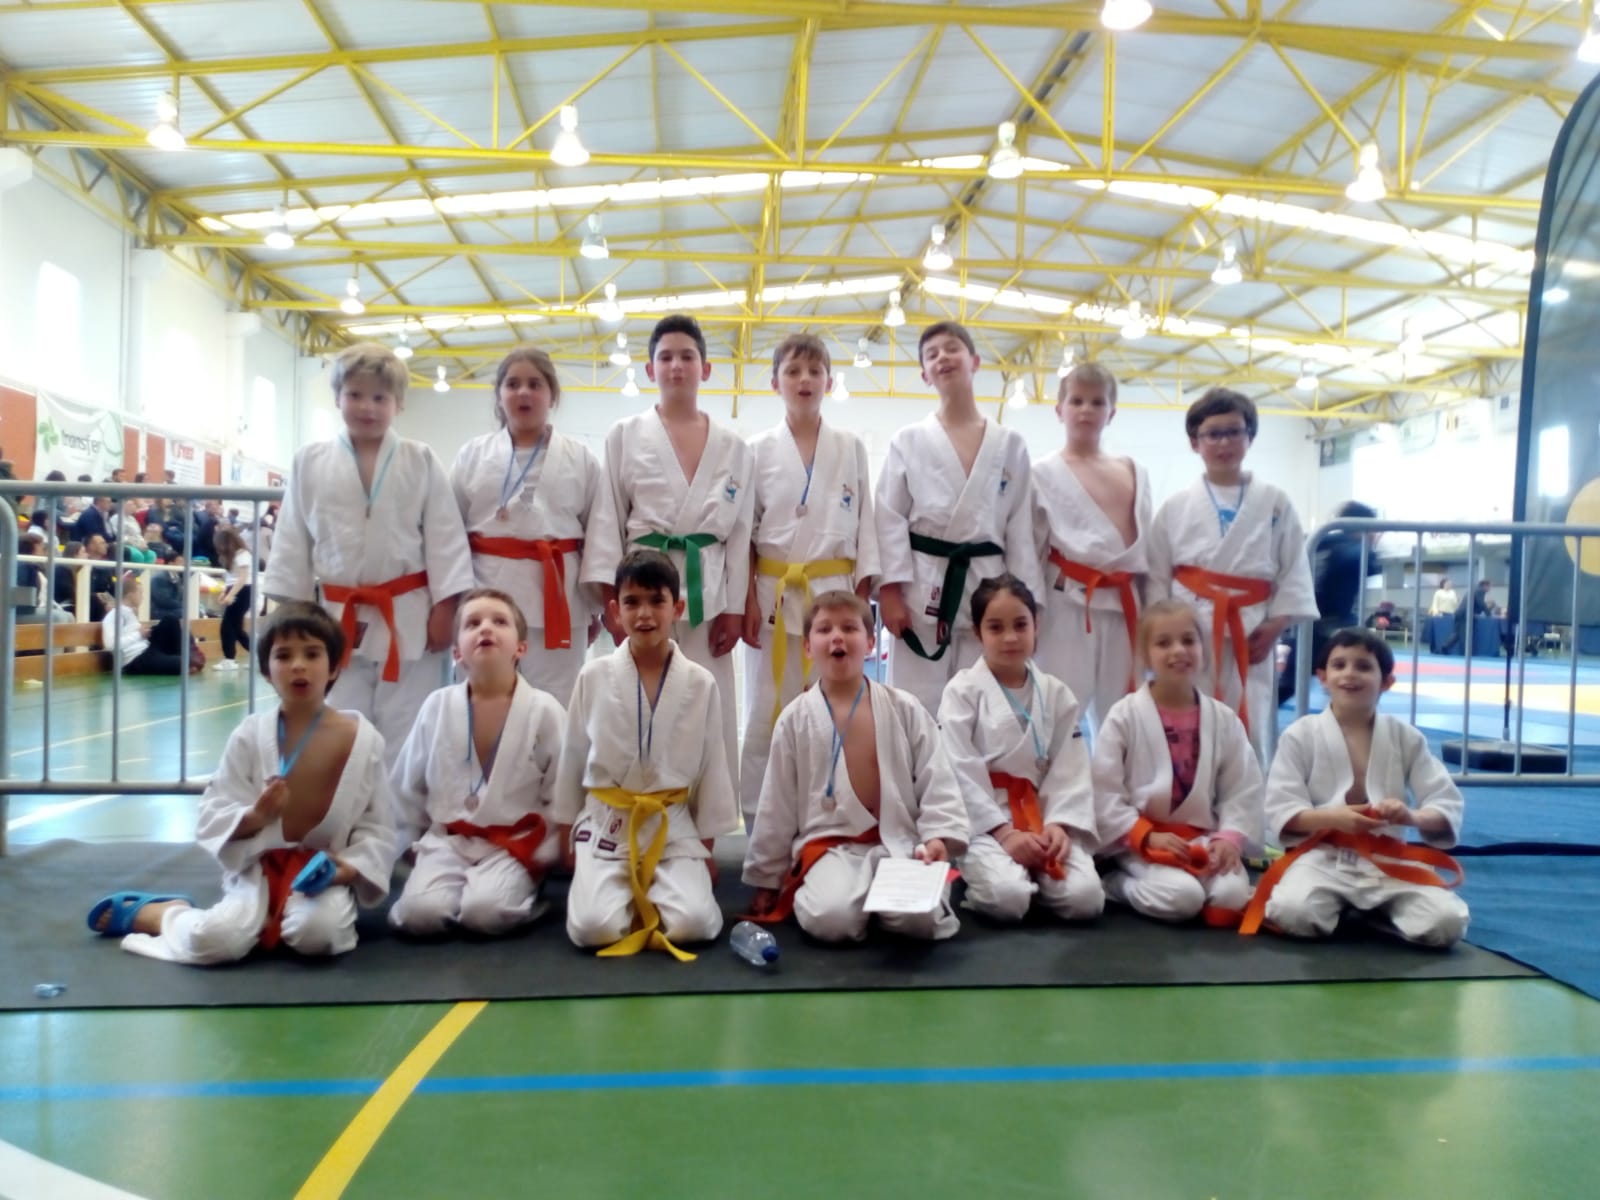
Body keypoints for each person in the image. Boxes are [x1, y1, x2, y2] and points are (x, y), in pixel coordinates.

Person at [87, 603, 397, 963]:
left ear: (334, 667)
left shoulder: (363, 741)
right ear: (266, 671)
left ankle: (276, 919)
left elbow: (378, 826)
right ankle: (165, 914)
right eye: (284, 656)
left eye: (312, 654)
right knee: (215, 941)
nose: (298, 665)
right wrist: (255, 816)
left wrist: (347, 869)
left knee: (319, 936)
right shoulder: (250, 735)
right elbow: (213, 810)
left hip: (322, 873)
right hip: (256, 869)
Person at [262, 342, 476, 765]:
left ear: (399, 403)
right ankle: (347, 807)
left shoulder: (420, 459)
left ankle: (400, 811)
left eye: (380, 397)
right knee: (341, 725)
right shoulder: (310, 461)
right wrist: (295, 614)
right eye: (355, 394)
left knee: (409, 731)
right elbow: (292, 541)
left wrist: (446, 607)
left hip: (409, 615)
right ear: (337, 397)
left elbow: (445, 538)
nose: (367, 407)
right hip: (335, 616)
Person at [582, 314, 753, 785]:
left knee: (708, 702)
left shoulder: (735, 447)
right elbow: (608, 519)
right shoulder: (624, 435)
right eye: (666, 357)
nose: (677, 365)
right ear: (650, 369)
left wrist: (734, 610)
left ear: (705, 369)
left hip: (707, 597)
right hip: (641, 590)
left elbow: (739, 536)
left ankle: (709, 815)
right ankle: (630, 804)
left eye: (687, 356)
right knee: (636, 700)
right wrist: (612, 604)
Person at [744, 590, 967, 942]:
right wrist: (767, 879)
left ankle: (882, 904)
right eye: (824, 629)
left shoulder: (905, 708)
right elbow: (777, 805)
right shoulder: (795, 719)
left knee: (921, 920)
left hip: (900, 842)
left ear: (870, 642)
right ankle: (863, 905)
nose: (837, 637)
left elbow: (936, 779)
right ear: (807, 646)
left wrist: (937, 836)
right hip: (831, 848)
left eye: (849, 628)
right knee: (831, 921)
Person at [554, 550, 738, 960]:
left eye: (657, 601)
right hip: (608, 823)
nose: (645, 614)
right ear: (615, 611)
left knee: (695, 924)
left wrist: (706, 848)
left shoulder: (701, 682)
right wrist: (565, 834)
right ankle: (627, 895)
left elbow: (712, 766)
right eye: (632, 602)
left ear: (678, 608)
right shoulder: (593, 676)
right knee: (593, 928)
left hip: (671, 824)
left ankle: (651, 894)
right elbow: (572, 757)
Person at [1245, 628, 1467, 946]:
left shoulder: (1406, 737)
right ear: (1323, 677)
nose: (1350, 673)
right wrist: (1333, 818)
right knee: (1293, 913)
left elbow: (1444, 800)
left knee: (1446, 924)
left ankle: (1377, 912)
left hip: (1388, 859)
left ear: (1387, 681)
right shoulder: (1300, 735)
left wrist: (1411, 817)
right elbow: (1281, 807)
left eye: (1363, 666)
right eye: (1339, 665)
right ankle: (1363, 911)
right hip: (1323, 857)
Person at [740, 333, 880, 830]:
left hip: (834, 595)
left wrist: (862, 603)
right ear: (774, 382)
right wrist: (745, 599)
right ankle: (761, 822)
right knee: (766, 710)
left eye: (815, 371)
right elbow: (745, 533)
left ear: (829, 382)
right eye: (793, 371)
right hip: (773, 594)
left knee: (833, 706)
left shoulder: (851, 447)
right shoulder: (755, 450)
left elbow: (865, 524)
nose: (804, 380)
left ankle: (831, 814)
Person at [875, 321, 1044, 714]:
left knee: (984, 707)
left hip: (991, 590)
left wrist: (1026, 604)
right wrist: (890, 592)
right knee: (914, 707)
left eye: (952, 348)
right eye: (931, 354)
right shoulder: (908, 440)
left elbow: (1021, 529)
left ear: (975, 361)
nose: (942, 358)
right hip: (920, 588)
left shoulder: (1011, 444)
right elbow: (888, 518)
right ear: (924, 374)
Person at [1146, 388, 1317, 754]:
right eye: (1213, 434)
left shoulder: (1275, 502)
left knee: (1250, 720)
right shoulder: (1175, 507)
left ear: (1249, 437)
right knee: (1187, 718)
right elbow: (1157, 575)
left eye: (1234, 432)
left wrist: (1277, 625)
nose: (1224, 442)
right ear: (1195, 442)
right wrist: (1165, 636)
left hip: (1252, 631)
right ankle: (1186, 788)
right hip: (1190, 632)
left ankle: (1248, 790)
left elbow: (1293, 569)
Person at [388, 588, 567, 935]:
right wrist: (409, 843)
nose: (485, 628)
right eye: (472, 624)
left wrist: (546, 852)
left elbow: (562, 791)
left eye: (499, 621)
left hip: (514, 845)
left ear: (521, 648)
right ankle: (445, 891)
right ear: (457, 651)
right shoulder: (437, 707)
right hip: (447, 841)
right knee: (419, 915)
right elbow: (407, 786)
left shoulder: (544, 710)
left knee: (483, 912)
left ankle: (528, 893)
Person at [938, 576, 1102, 923]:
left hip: (1043, 816)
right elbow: (958, 770)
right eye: (996, 627)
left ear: (1036, 626)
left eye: (1020, 625)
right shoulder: (962, 692)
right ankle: (1003, 880)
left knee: (1086, 899)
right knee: (1008, 899)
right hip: (987, 824)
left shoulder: (1056, 693)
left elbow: (1071, 769)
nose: (1010, 637)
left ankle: (1036, 878)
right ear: (978, 633)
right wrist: (1004, 833)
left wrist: (1059, 825)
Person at [1093, 600, 1263, 927]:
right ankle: (1117, 884)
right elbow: (1103, 791)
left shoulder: (1223, 719)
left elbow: (1242, 787)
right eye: (1163, 643)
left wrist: (1228, 838)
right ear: (1145, 654)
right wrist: (1144, 835)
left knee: (1229, 900)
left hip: (1203, 841)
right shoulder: (1124, 715)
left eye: (1188, 640)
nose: (1178, 651)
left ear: (1203, 648)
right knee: (1183, 898)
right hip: (1142, 842)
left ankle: (1200, 879)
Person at [451, 347, 601, 705]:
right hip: (486, 596)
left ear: (552, 395)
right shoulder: (472, 455)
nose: (524, 392)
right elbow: (449, 536)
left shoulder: (581, 458)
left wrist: (593, 603)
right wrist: (453, 603)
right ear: (499, 395)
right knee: (484, 701)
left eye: (535, 384)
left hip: (559, 600)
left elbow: (599, 536)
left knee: (557, 705)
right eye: (513, 384)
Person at [1033, 362, 1149, 734]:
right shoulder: (1040, 473)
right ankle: (1052, 774)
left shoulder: (1134, 470)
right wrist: (1030, 610)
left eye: (1097, 402)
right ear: (1059, 410)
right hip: (1066, 603)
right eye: (1077, 400)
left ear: (1111, 413)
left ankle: (1118, 776)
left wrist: (1154, 611)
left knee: (1126, 717)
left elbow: (1149, 552)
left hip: (1124, 605)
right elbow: (1030, 549)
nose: (1086, 409)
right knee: (1057, 711)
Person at [99, 571, 203, 676]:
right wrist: (139, 634)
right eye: (140, 593)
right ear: (130, 596)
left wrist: (145, 632)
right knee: (182, 664)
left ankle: (187, 656)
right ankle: (184, 661)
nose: (142, 597)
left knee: (170, 620)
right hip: (136, 659)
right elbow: (111, 645)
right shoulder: (115, 615)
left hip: (148, 648)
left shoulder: (129, 612)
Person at [213, 525, 255, 670]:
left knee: (227, 626)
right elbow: (230, 578)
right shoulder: (230, 557)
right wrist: (224, 592)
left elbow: (243, 577)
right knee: (236, 628)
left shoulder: (242, 554)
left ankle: (229, 659)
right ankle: (258, 654)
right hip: (235, 589)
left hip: (243, 590)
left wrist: (231, 595)